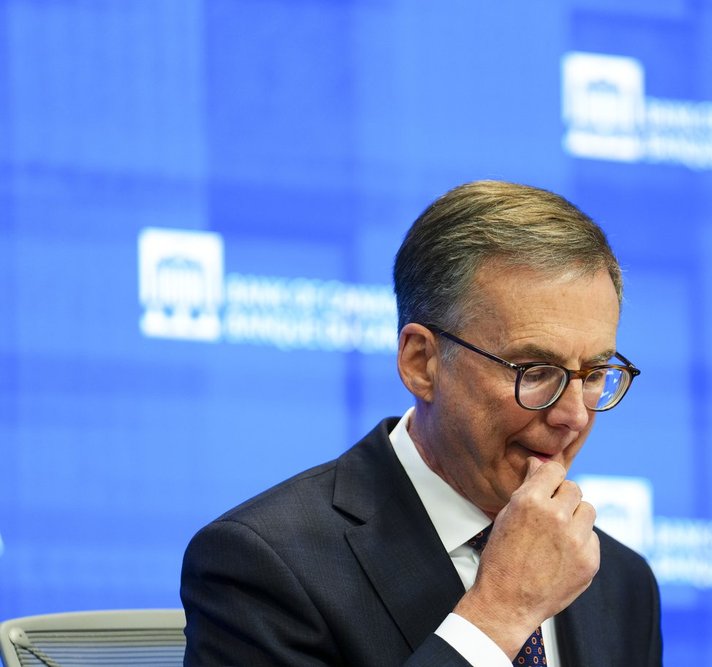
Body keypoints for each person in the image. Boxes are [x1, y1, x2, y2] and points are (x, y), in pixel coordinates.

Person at [180, 180, 663, 666]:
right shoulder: (264, 564)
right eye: (535, 372)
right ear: (421, 362)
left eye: (595, 374)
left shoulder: (620, 581)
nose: (573, 415)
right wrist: (499, 615)